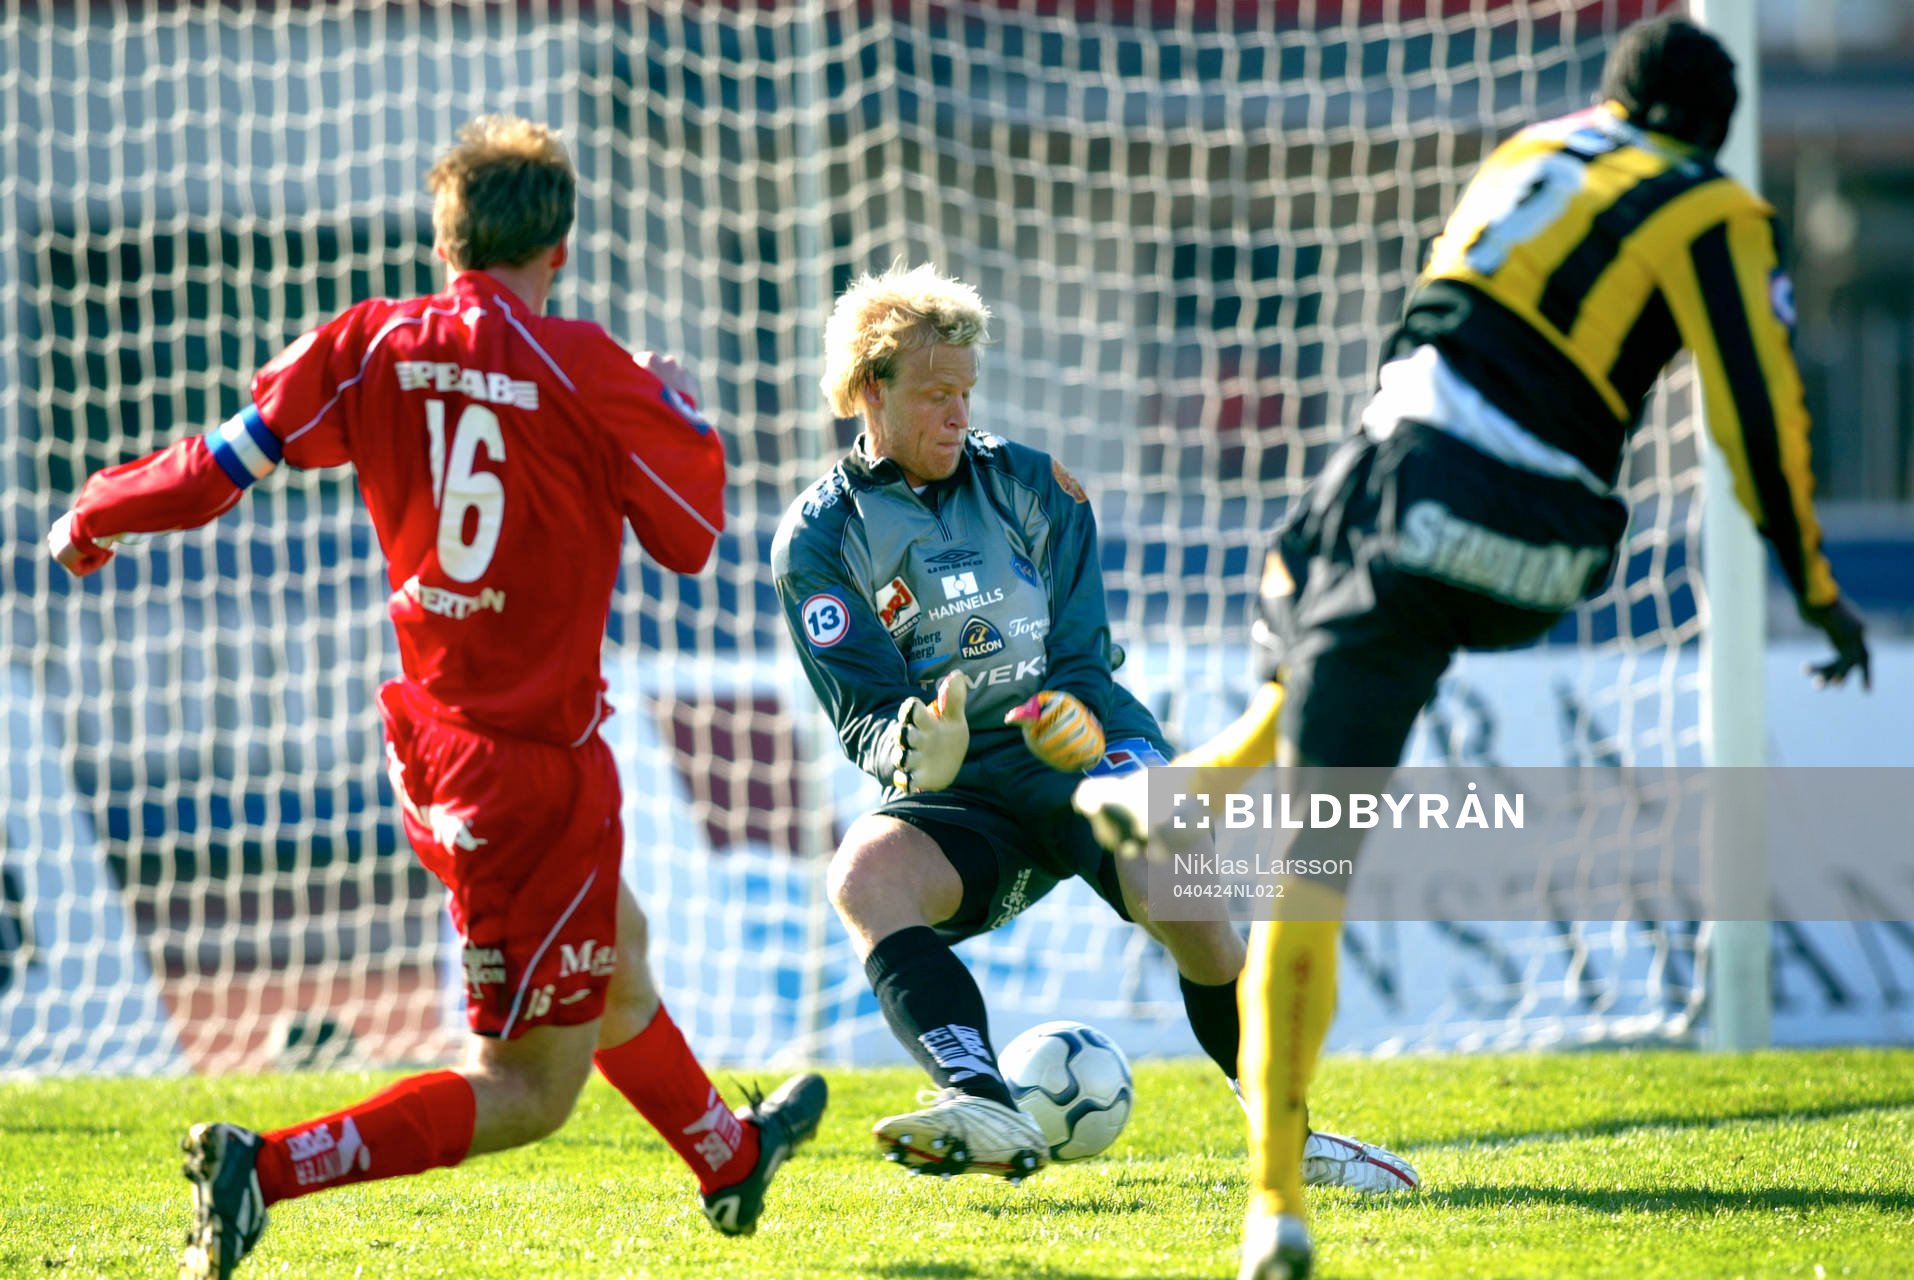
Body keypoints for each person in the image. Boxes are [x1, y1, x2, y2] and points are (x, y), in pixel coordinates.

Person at [1075, 16, 1871, 1279]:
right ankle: (1178, 799)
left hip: (1387, 489)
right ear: (1712, 128)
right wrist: (1817, 591)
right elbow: (1756, 414)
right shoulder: (1713, 205)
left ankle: (1273, 1200)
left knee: (1310, 834)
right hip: (1541, 542)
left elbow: (1429, 334)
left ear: (1612, 101)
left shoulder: (1526, 150)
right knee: (1333, 691)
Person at [48, 115, 826, 1278]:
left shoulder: (367, 343)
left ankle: (728, 1153)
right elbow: (693, 536)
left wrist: (95, 510)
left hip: (434, 740)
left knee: (620, 944)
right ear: (558, 246)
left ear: (442, 235)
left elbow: (218, 467)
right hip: (537, 772)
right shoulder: (591, 370)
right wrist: (684, 407)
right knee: (524, 1089)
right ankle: (259, 1168)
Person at [771, 261, 1417, 1192]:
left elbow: (1082, 657)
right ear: (869, 387)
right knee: (864, 876)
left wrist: (1066, 720)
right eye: (934, 395)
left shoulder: (1038, 487)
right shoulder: (820, 538)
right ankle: (981, 1100)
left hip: (1083, 751)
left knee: (1177, 880)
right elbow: (865, 714)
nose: (958, 415)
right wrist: (918, 749)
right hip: (962, 790)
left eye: (966, 393)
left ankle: (1292, 1136)